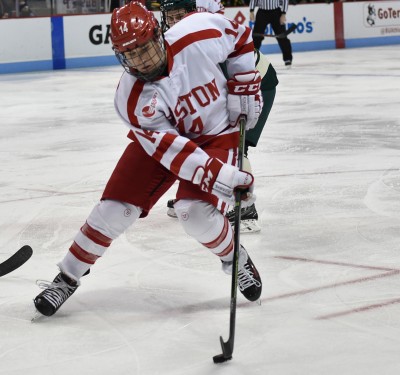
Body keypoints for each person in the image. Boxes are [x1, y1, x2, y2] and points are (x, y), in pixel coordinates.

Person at [33, 1, 262, 317]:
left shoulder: (195, 32)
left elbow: (238, 36)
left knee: (194, 213)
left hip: (216, 133)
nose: (140, 61)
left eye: (144, 49)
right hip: (166, 144)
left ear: (158, 35)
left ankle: (234, 259)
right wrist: (223, 179)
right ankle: (68, 275)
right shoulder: (131, 97)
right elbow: (175, 153)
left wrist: (244, 83)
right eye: (131, 55)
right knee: (113, 210)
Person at [161, 0, 279, 233]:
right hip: (234, 84)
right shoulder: (186, 34)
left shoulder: (204, 36)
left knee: (235, 144)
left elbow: (226, 79)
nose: (174, 22)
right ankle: (198, 196)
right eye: (170, 17)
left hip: (257, 85)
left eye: (179, 16)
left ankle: (245, 210)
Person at [249, 0, 293, 66]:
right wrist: (251, 10)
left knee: (282, 36)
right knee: (256, 37)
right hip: (262, 12)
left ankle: (288, 58)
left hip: (276, 12)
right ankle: (249, 59)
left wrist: (284, 13)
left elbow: (285, 0)